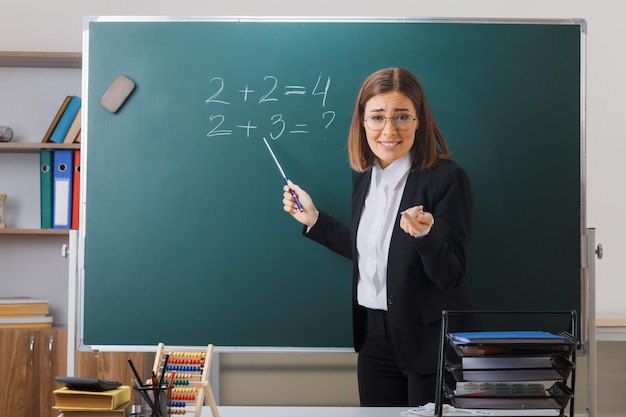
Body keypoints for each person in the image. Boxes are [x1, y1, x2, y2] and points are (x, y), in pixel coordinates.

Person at [281, 67, 479, 407]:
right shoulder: (364, 176)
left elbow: (450, 274)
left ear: (419, 121)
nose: (389, 130)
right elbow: (374, 251)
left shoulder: (447, 179)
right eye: (377, 117)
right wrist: (314, 220)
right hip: (373, 339)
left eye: (402, 116)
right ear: (363, 122)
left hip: (429, 340)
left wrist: (426, 235)